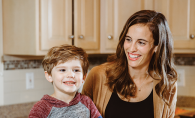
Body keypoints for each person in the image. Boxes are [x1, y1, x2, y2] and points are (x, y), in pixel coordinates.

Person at [82, 10, 177, 118]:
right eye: (128, 39)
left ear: (157, 47)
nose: (131, 49)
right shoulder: (98, 75)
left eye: (141, 42)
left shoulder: (167, 86)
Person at [29, 44, 102, 118]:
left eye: (76, 70)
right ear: (49, 76)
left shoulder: (87, 102)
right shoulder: (41, 108)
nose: (70, 75)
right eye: (62, 70)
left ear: (83, 77)